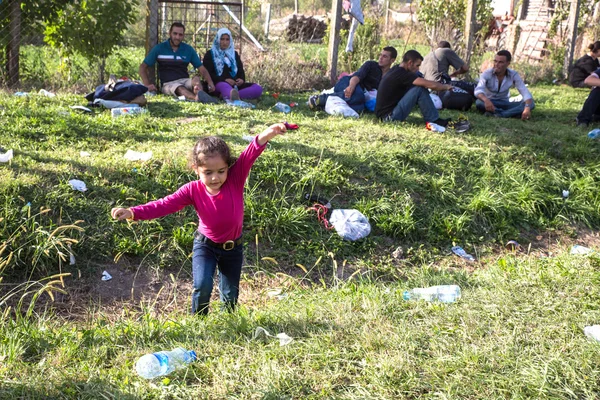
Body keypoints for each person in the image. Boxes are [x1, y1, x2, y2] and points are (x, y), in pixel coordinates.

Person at [111, 123, 286, 315]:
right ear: (196, 169)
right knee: (202, 286)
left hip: (233, 248)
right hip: (205, 246)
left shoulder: (235, 179)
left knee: (230, 293)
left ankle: (229, 323)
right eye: (208, 172)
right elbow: (164, 204)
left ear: (228, 167)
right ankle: (199, 322)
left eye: (221, 171)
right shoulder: (192, 190)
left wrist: (269, 133)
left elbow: (250, 152)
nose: (215, 178)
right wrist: (133, 212)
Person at [139, 22, 217, 103]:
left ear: (183, 36)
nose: (177, 37)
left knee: (196, 79)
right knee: (179, 88)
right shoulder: (159, 48)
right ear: (170, 33)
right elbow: (142, 67)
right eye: (175, 34)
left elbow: (202, 69)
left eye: (180, 35)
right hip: (168, 84)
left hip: (185, 80)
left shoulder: (188, 49)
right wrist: (147, 85)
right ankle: (196, 98)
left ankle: (199, 92)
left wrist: (210, 83)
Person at [375, 50, 453, 127]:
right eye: (417, 65)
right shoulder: (403, 74)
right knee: (419, 89)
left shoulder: (396, 69)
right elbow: (428, 84)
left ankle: (432, 117)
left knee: (418, 88)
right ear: (410, 63)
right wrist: (445, 87)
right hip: (389, 117)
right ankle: (434, 119)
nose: (418, 69)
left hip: (384, 115)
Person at [308, 46, 397, 113]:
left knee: (360, 108)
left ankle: (323, 106)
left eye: (385, 56)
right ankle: (320, 99)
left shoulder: (391, 75)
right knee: (358, 96)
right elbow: (357, 76)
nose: (380, 58)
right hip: (348, 82)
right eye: (380, 55)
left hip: (360, 94)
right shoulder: (371, 65)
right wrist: (351, 86)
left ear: (392, 60)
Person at [202, 28, 263, 101]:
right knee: (224, 86)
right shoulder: (210, 54)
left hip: (235, 85)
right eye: (222, 39)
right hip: (218, 84)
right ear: (218, 40)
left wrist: (241, 80)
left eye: (227, 39)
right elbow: (208, 74)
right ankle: (232, 94)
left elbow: (240, 71)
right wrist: (225, 80)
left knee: (257, 88)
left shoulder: (234, 54)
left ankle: (232, 95)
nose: (225, 42)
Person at [474, 50, 534, 120]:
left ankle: (500, 114)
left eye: (500, 62)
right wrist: (486, 100)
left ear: (508, 63)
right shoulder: (487, 73)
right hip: (489, 102)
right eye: (495, 61)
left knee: (531, 104)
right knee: (479, 103)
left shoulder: (513, 74)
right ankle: (511, 113)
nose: (496, 64)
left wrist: (527, 108)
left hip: (505, 102)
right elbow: (478, 90)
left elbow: (524, 91)